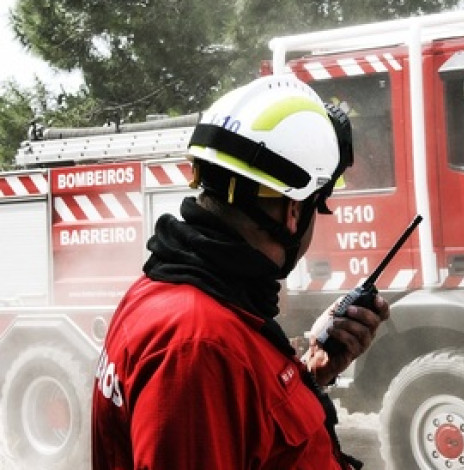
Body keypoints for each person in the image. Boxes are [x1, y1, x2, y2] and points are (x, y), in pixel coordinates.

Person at [91, 75, 389, 470]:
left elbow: (249, 433)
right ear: (293, 213)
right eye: (317, 207)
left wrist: (312, 374)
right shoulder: (199, 347)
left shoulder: (169, 298)